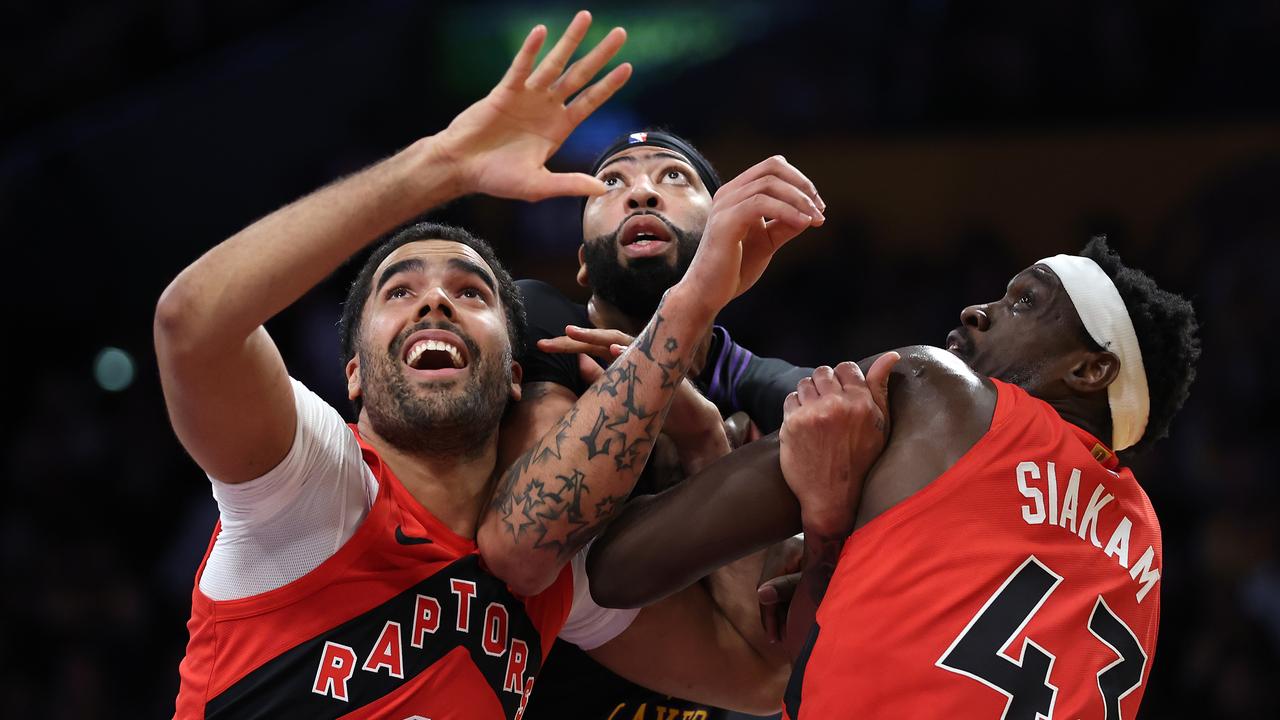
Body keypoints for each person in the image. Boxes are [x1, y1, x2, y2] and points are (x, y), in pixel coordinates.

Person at [154, 12, 851, 718]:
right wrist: (442, 165)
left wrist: (706, 447)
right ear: (354, 375)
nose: (436, 303)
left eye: (470, 291)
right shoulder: (314, 484)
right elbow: (193, 324)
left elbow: (761, 682)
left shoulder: (556, 585)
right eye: (400, 291)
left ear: (515, 367)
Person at [585, 237, 1200, 719]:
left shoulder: (942, 394)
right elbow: (819, 657)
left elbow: (618, 568)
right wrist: (827, 534)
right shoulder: (1143, 534)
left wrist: (698, 440)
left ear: (1092, 370)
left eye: (1025, 302)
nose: (977, 310)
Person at [503, 131, 809, 720]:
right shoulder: (538, 317)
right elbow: (541, 542)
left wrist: (706, 445)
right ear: (584, 265)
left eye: (674, 178)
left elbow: (771, 673)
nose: (641, 193)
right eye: (611, 184)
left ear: (729, 246)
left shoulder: (758, 384)